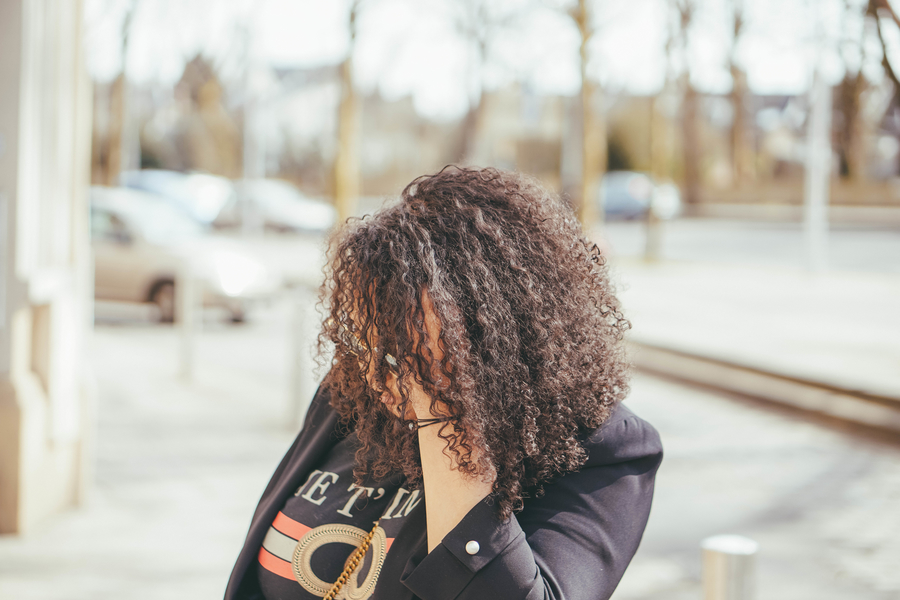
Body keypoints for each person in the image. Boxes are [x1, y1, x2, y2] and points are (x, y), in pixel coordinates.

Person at [224, 166, 663, 600]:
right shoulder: (355, 389)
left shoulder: (607, 451)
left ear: (492, 335)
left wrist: (445, 409)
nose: (378, 378)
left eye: (399, 351)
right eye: (366, 341)